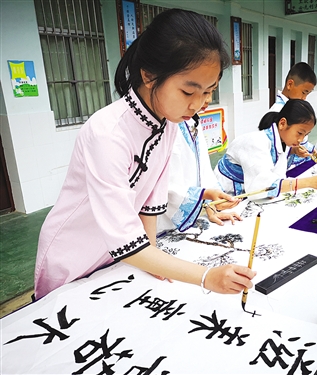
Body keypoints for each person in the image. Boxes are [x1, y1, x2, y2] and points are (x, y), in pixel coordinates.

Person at [34, 9, 255, 300]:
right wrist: (205, 276)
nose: (199, 104)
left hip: (125, 254)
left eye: (208, 91)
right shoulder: (107, 133)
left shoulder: (167, 122)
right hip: (75, 255)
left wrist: (150, 258)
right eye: (189, 92)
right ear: (149, 76)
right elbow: (124, 235)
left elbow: (150, 200)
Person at [156, 83, 242, 233]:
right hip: (160, 224)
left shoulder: (192, 120)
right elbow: (165, 184)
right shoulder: (161, 124)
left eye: (211, 91)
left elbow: (203, 169)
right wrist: (205, 195)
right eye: (190, 92)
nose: (207, 99)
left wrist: (212, 205)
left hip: (188, 221)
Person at [214, 99, 317, 198]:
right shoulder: (256, 142)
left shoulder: (285, 143)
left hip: (244, 192)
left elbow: (277, 175)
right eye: (299, 133)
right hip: (223, 194)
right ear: (282, 124)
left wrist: (293, 151)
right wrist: (308, 182)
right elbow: (261, 186)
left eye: (306, 135)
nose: (301, 140)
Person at [269, 62, 317, 168]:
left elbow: (302, 141)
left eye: (307, 94)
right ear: (290, 84)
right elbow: (273, 148)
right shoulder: (277, 112)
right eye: (303, 92)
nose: (304, 98)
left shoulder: (296, 107)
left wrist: (310, 148)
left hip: (300, 161)